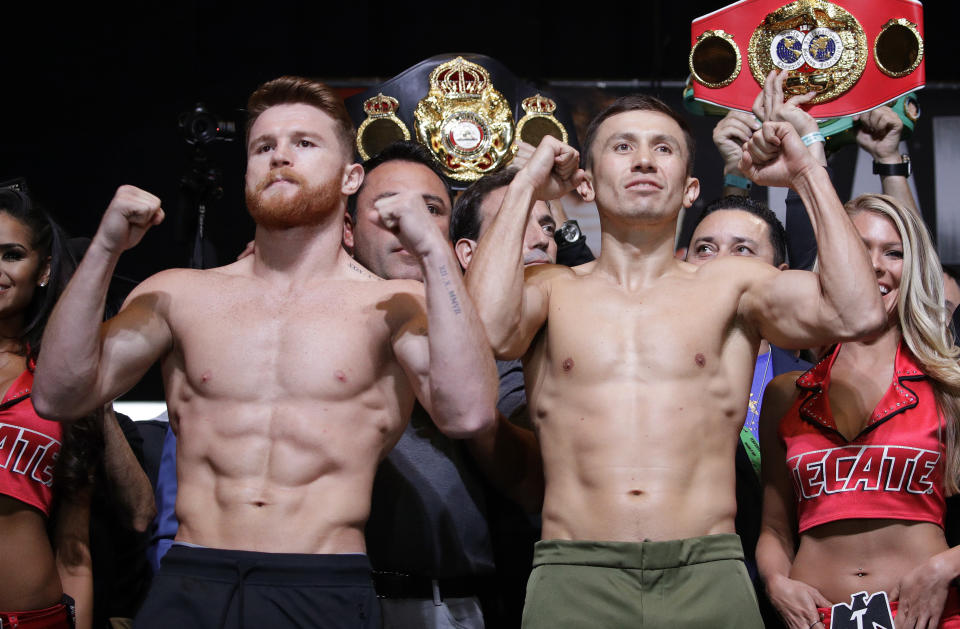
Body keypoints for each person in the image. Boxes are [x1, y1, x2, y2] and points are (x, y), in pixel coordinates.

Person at [32, 77, 497, 629]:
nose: (280, 156)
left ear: (352, 178)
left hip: (320, 582)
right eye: (263, 146)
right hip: (190, 578)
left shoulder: (395, 305)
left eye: (304, 143)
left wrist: (434, 249)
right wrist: (105, 247)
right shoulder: (180, 293)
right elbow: (59, 393)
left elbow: (468, 411)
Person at [465, 76, 886, 627]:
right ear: (584, 187)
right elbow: (486, 336)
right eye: (623, 147)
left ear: (690, 189)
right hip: (575, 571)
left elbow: (854, 313)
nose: (643, 160)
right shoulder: (549, 289)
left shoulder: (735, 285)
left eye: (662, 148)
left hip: (706, 571)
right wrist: (526, 185)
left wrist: (807, 168)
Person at [757, 193, 960, 629]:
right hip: (816, 620)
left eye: (894, 252)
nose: (874, 265)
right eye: (857, 246)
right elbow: (774, 528)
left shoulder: (950, 384)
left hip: (927, 618)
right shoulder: (785, 394)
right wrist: (776, 582)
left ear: (915, 270)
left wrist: (945, 567)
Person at [685, 195, 809, 629]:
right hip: (691, 595)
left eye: (742, 249)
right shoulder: (645, 382)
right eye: (704, 248)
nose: (720, 263)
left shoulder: (814, 382)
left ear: (781, 277)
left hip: (805, 597)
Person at [0, 182, 96, 629]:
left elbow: (74, 548)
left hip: (38, 617)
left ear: (43, 269)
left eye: (11, 254)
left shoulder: (60, 380)